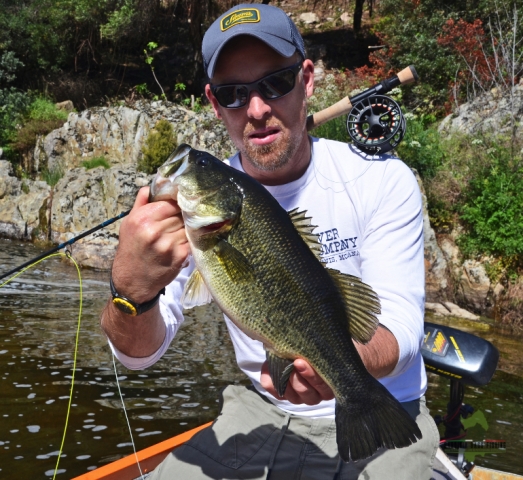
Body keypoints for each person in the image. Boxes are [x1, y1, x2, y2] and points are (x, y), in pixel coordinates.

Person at [101, 3, 440, 479]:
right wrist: (130, 290)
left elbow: (402, 328)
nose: (257, 109)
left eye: (275, 83)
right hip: (259, 410)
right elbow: (140, 356)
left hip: (385, 404)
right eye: (234, 94)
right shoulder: (189, 219)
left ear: (307, 80)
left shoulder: (381, 180)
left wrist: (343, 368)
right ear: (214, 104)